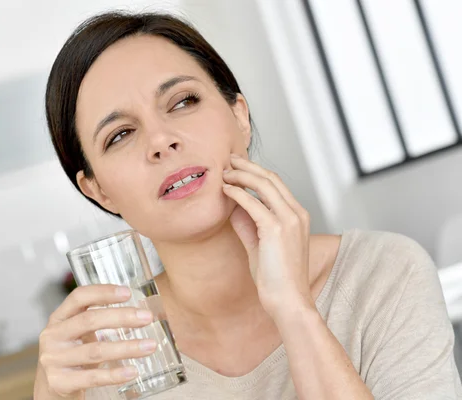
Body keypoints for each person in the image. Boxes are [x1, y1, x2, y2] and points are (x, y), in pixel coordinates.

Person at [34, 11, 462, 400]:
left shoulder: (384, 273)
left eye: (182, 102)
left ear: (239, 114)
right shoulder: (110, 358)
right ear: (98, 191)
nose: (161, 141)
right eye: (120, 135)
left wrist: (294, 311)